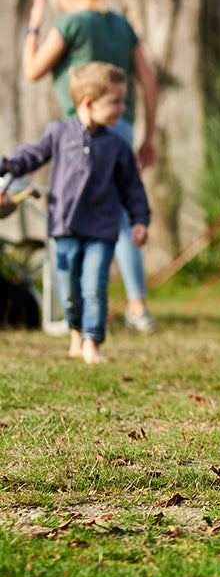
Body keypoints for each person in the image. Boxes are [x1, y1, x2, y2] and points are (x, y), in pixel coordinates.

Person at [23, 0, 160, 334]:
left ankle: (84, 309)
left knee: (82, 214)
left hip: (81, 134)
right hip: (122, 126)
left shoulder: (70, 23)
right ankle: (135, 304)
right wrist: (149, 136)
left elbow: (33, 70)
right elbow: (148, 80)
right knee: (117, 215)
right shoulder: (120, 23)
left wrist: (35, 25)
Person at [1, 62, 151, 364]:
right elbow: (32, 155)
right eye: (117, 101)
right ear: (89, 103)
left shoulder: (118, 146)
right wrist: (10, 165)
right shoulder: (58, 133)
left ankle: (92, 343)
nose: (123, 108)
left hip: (102, 231)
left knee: (94, 286)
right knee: (69, 291)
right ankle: (75, 334)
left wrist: (140, 220)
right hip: (64, 228)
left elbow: (132, 188)